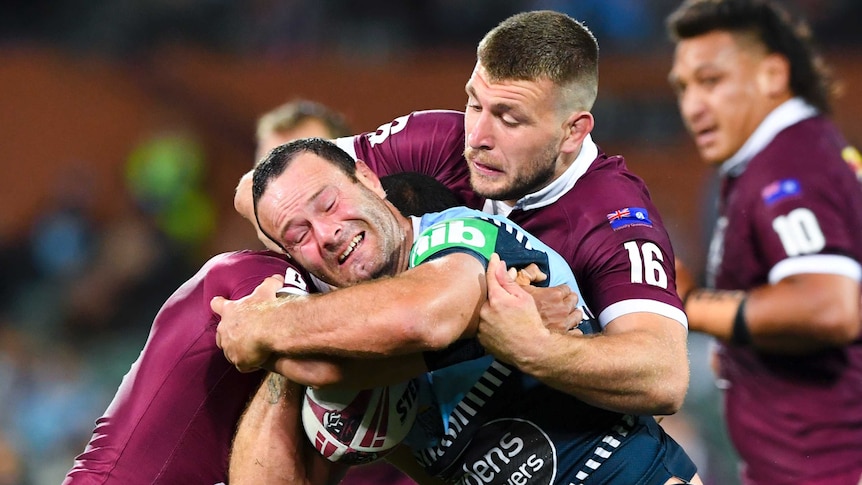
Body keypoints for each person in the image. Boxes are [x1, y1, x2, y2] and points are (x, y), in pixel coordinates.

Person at [230, 10, 691, 419]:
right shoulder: (438, 140)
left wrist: (533, 346)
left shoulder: (614, 217)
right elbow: (256, 187)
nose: (478, 137)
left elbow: (663, 377)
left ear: (573, 131)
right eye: (475, 102)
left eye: (509, 119)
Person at [217, 137, 702, 484]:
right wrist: (279, 352)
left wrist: (270, 330)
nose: (327, 234)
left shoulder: (458, 233)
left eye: (328, 204)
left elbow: (423, 319)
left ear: (367, 177)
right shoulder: (328, 337)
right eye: (298, 236)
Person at [666, 1, 862, 484]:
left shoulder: (788, 166)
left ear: (773, 74)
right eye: (684, 87)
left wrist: (692, 305)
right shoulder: (791, 155)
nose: (692, 106)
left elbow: (828, 307)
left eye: (711, 81)